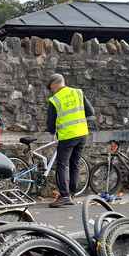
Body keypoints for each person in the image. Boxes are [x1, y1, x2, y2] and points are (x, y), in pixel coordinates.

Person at [46, 73, 96, 208]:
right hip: (82, 134)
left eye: (51, 88)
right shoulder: (78, 92)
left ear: (55, 84)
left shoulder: (55, 99)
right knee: (75, 164)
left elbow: (50, 124)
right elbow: (90, 111)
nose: (52, 91)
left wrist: (52, 131)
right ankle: (72, 194)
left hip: (68, 136)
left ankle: (64, 196)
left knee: (62, 165)